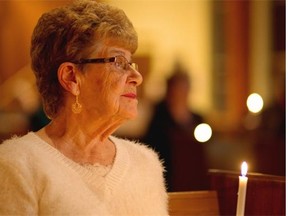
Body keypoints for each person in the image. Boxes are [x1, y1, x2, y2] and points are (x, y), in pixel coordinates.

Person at [0, 1, 168, 215]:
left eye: (130, 63)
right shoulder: (18, 164)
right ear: (71, 77)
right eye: (118, 62)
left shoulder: (146, 163)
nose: (137, 77)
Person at [142, 64, 209, 192]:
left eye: (184, 88)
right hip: (169, 178)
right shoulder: (160, 117)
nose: (180, 92)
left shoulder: (197, 118)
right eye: (177, 88)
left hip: (193, 176)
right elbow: (152, 147)